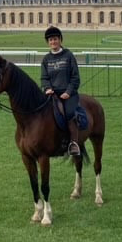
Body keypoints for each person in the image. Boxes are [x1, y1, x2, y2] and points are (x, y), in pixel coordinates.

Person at [40, 26, 82, 156]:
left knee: (69, 113)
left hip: (68, 93)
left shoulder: (68, 55)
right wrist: (47, 88)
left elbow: (75, 77)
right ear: (48, 42)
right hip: (52, 94)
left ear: (60, 40)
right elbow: (44, 78)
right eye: (51, 40)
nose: (53, 42)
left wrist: (68, 92)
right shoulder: (46, 59)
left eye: (55, 39)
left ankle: (73, 143)